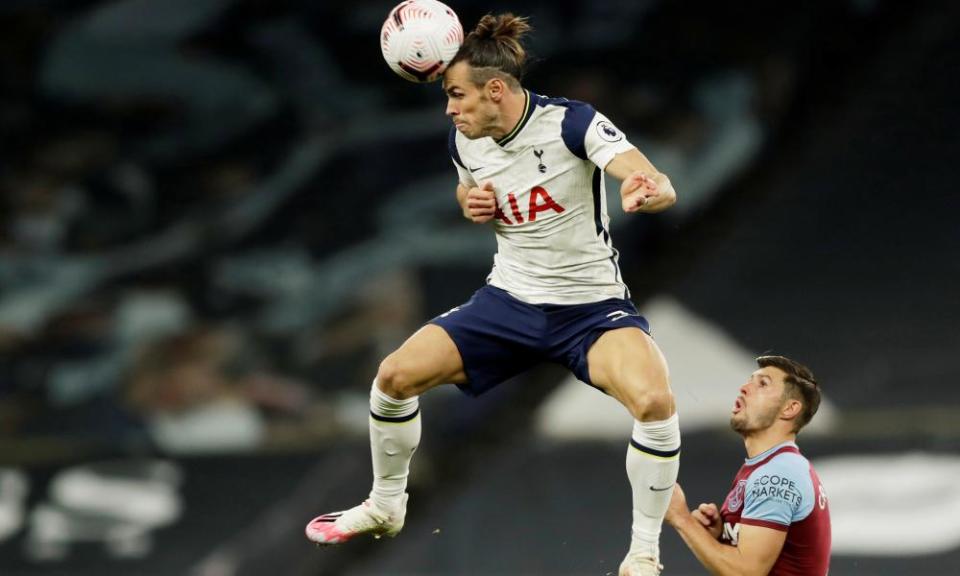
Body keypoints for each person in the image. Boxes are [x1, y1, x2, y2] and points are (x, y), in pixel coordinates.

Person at [306, 13, 680, 575]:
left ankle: (644, 555)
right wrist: (469, 205)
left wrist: (647, 189)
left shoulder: (571, 123)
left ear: (496, 89)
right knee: (393, 378)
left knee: (654, 404)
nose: (449, 109)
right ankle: (386, 506)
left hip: (591, 311)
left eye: (456, 95)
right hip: (508, 303)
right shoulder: (466, 138)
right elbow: (469, 189)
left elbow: (651, 178)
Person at [665, 355, 831, 576]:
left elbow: (746, 572)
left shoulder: (777, 474)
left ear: (790, 409)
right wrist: (722, 535)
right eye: (749, 381)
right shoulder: (767, 466)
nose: (744, 388)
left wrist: (681, 518)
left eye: (762, 384)